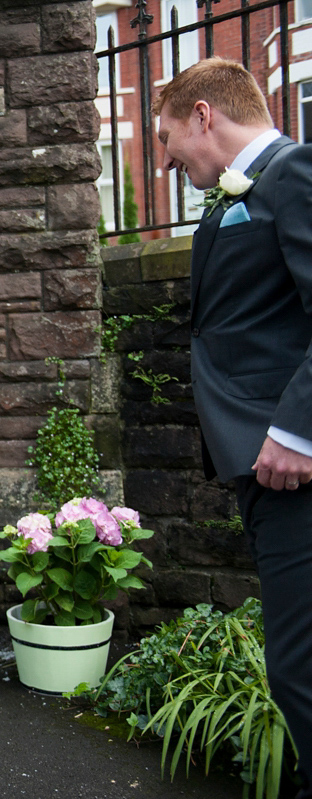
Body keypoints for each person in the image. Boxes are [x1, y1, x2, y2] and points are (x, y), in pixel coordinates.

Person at [155, 57, 312, 798]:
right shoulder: (227, 199)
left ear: (203, 117)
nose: (165, 155)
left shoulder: (292, 172)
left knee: (299, 667)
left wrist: (298, 430)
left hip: (293, 462)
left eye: (166, 136)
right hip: (257, 460)